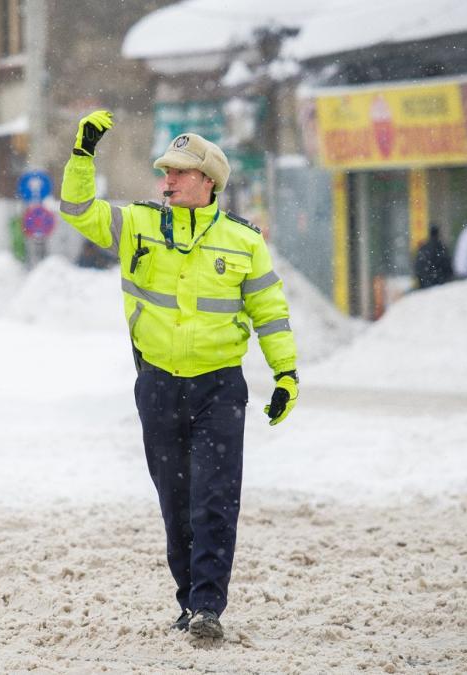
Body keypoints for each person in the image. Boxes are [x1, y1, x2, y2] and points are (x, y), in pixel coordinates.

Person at [59, 110, 298, 640]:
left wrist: (286, 373)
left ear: (208, 181)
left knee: (215, 496)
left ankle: (209, 606)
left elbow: (270, 312)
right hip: (159, 385)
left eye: (178, 172)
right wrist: (82, 156)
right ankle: (189, 599)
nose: (167, 180)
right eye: (165, 171)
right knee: (176, 500)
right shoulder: (138, 223)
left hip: (219, 386)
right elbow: (76, 209)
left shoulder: (244, 241)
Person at [413, 224, 453, 289]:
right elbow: (448, 265)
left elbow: (418, 267)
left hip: (426, 283)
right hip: (440, 283)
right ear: (438, 233)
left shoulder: (424, 248)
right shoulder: (442, 247)